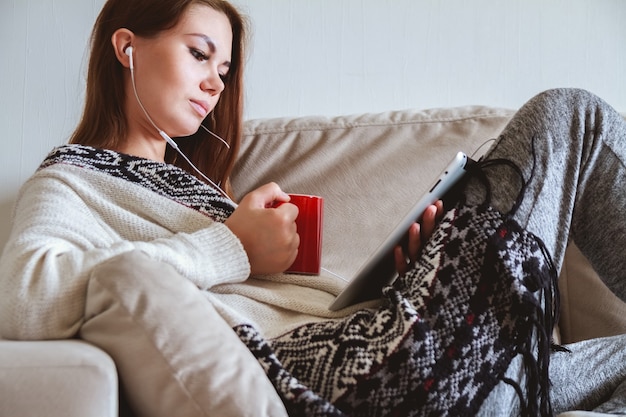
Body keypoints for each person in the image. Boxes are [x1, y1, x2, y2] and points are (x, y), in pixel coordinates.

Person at [0, 0, 624, 416]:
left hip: (401, 348)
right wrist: (233, 245)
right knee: (569, 117)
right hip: (345, 376)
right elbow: (25, 298)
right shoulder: (76, 178)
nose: (217, 83)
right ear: (127, 47)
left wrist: (408, 276)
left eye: (223, 66)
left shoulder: (204, 195)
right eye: (199, 54)